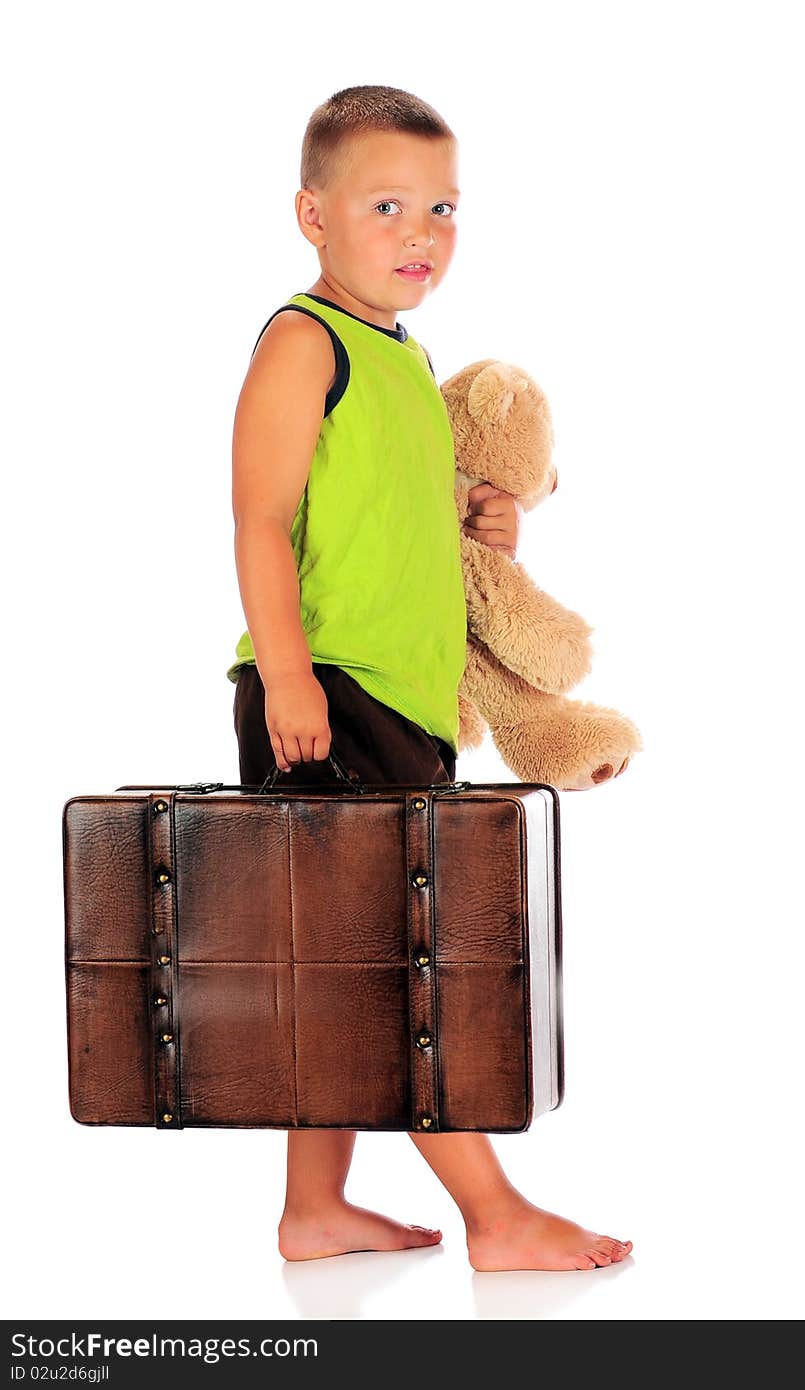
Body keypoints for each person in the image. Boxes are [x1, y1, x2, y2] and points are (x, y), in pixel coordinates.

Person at [227, 84, 632, 1272]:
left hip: (396, 701)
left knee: (341, 961)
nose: (421, 234)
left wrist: (485, 515)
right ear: (312, 213)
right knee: (396, 955)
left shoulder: (403, 359)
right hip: (325, 694)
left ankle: (315, 1207)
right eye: (388, 205)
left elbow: (400, 517)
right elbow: (260, 519)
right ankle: (497, 1216)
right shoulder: (306, 341)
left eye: (443, 208)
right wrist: (291, 681)